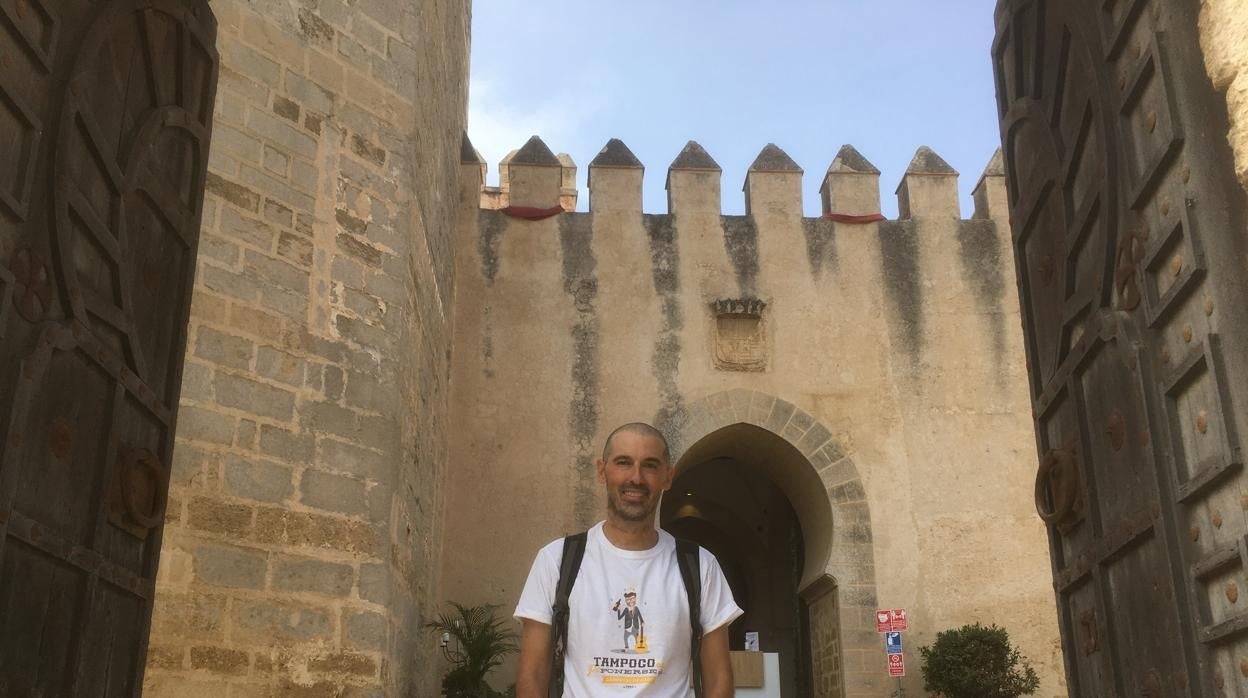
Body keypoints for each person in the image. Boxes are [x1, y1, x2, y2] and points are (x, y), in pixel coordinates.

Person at [514, 423, 742, 697]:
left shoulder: (700, 566)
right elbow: (533, 674)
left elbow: (719, 678)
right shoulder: (557, 560)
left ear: (667, 477)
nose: (636, 477)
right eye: (623, 462)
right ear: (602, 470)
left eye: (650, 465)